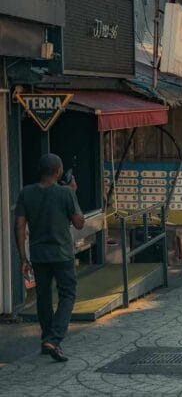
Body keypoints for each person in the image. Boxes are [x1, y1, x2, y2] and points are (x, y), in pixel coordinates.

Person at [15, 154, 85, 362]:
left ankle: (47, 340)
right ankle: (54, 340)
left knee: (43, 298)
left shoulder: (26, 193)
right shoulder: (65, 193)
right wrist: (73, 193)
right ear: (58, 171)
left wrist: (23, 258)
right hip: (62, 254)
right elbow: (79, 223)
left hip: (38, 255)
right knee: (67, 295)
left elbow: (19, 225)